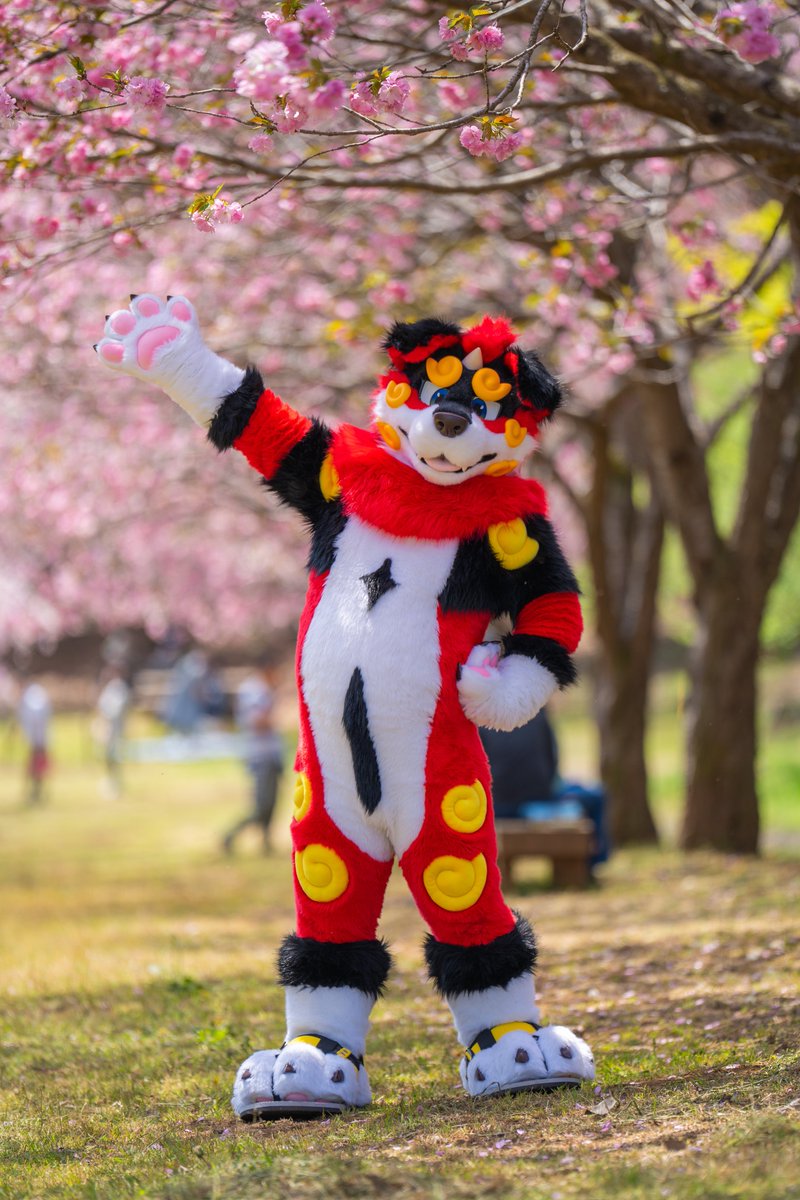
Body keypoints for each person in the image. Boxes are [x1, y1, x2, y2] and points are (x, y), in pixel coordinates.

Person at [480, 708, 610, 868]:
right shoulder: (536, 712)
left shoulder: (481, 716)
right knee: (596, 795)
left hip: (498, 805)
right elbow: (552, 760)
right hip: (539, 799)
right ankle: (595, 862)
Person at [223, 657, 284, 854]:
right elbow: (256, 721)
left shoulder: (263, 690)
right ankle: (230, 835)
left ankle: (266, 843)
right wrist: (279, 717)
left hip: (270, 754)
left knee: (272, 803)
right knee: (262, 805)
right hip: (259, 755)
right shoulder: (254, 690)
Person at [96, 665, 133, 798]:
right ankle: (111, 781)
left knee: (115, 756)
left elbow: (115, 710)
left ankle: (116, 783)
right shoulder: (110, 688)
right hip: (108, 728)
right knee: (108, 757)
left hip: (115, 729)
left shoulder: (119, 688)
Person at [18, 678, 52, 805]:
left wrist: (35, 737)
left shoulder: (31, 697)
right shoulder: (33, 695)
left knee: (37, 767)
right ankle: (35, 792)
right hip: (38, 738)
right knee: (36, 767)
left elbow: (36, 718)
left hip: (38, 739)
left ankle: (36, 792)